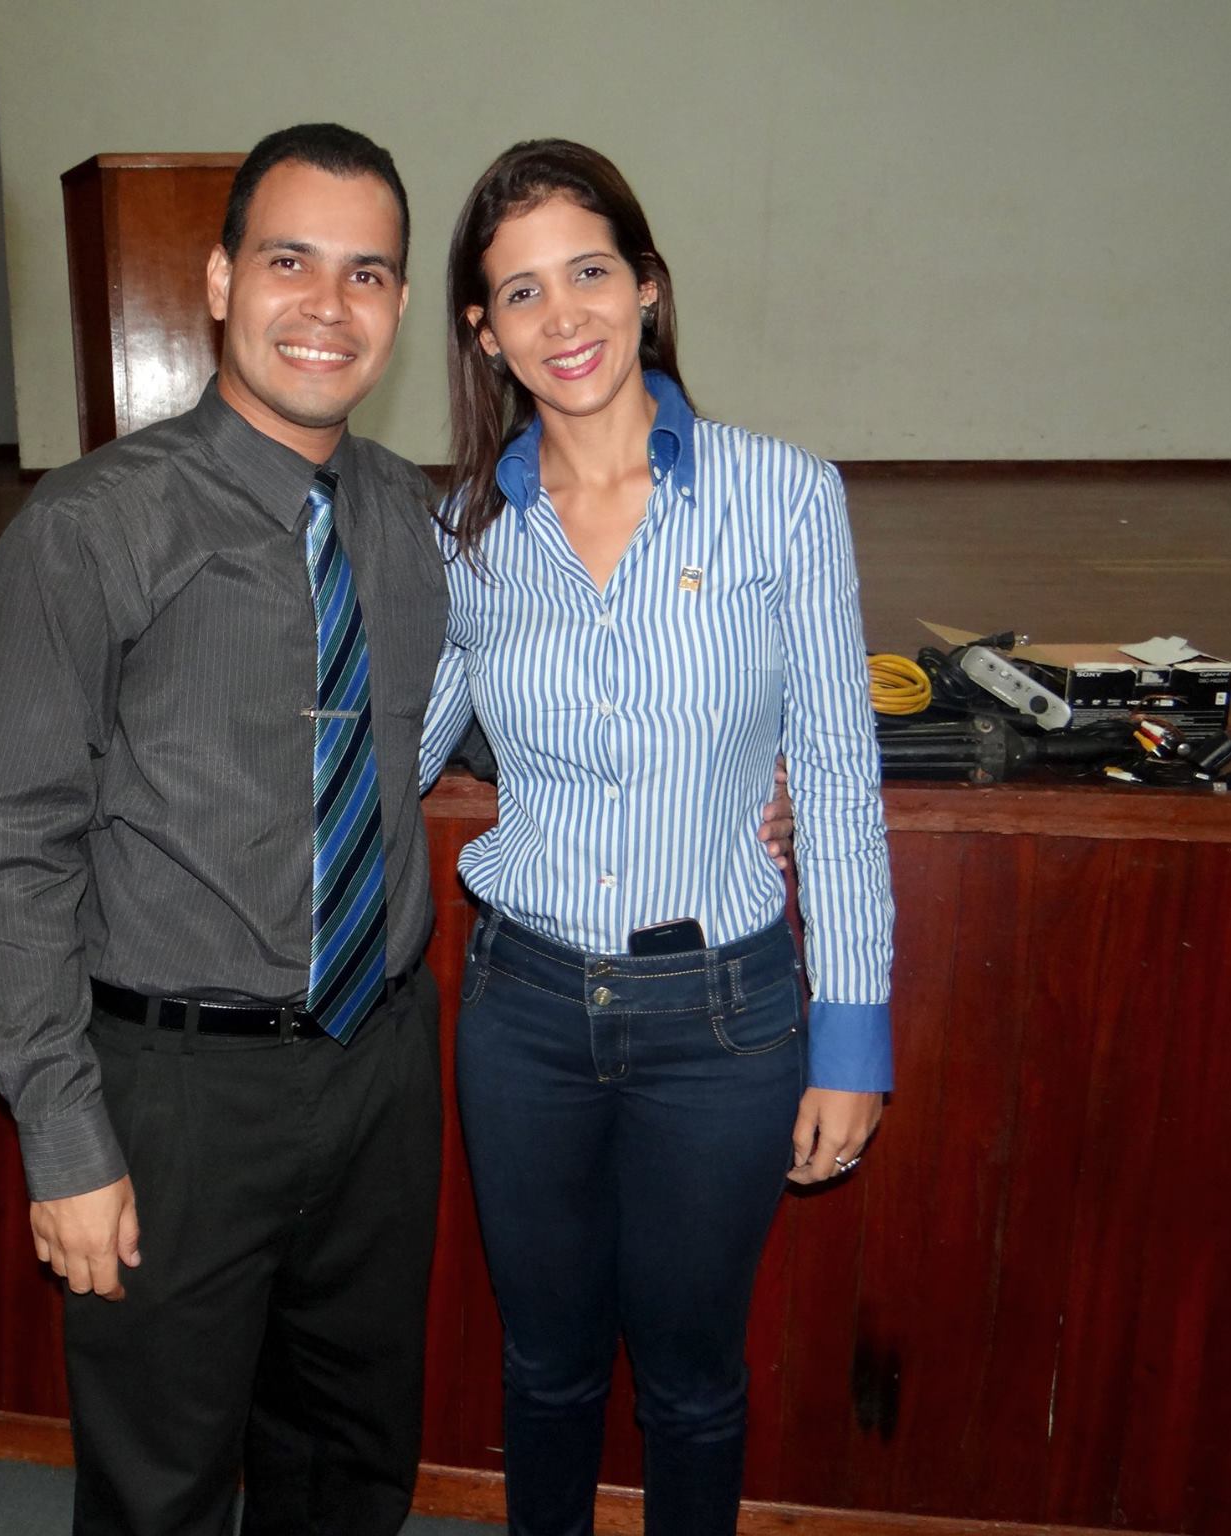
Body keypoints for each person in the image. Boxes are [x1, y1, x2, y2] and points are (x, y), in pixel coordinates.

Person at [0, 123, 447, 1535]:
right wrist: (64, 1136)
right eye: (290, 260)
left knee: (351, 1460)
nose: (328, 305)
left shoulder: (405, 519)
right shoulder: (91, 529)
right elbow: (15, 862)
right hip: (174, 1093)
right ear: (222, 280)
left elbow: (461, 723)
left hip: (378, 1070)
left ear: (401, 310)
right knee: (161, 1488)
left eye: (367, 274)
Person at [418, 140, 895, 1535]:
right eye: (519, 293)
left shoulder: (785, 497)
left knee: (691, 1381)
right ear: (483, 331)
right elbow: (404, 731)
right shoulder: (470, 532)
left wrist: (850, 1036)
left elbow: (843, 784)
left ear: (647, 286)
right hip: (525, 1012)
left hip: (725, 1020)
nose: (562, 318)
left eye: (588, 273)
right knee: (547, 1367)